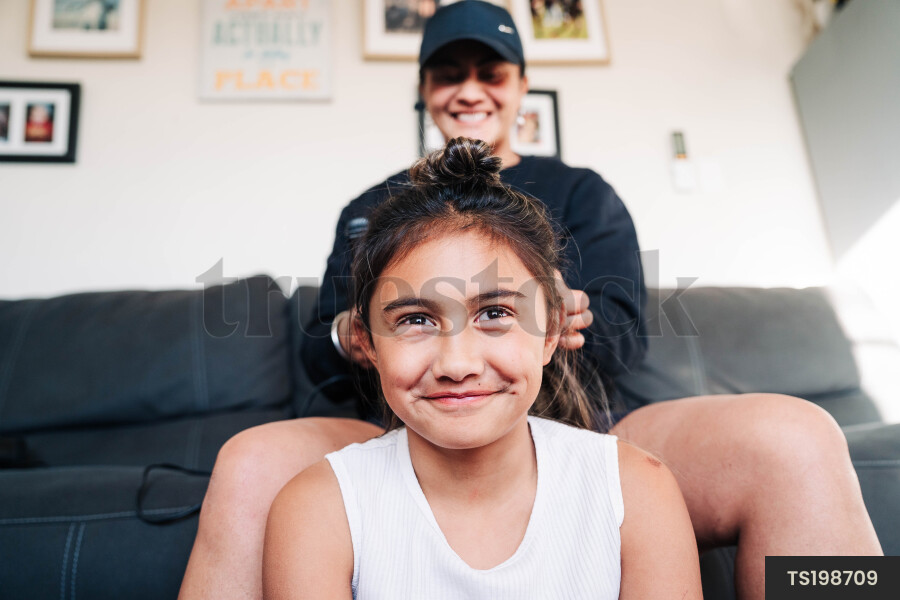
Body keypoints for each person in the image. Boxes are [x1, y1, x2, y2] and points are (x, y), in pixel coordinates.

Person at [179, 3, 882, 599]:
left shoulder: (583, 193)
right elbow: (318, 355)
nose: (470, 89)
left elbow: (622, 335)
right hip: (400, 428)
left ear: (521, 86)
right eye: (449, 73)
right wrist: (350, 329)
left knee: (797, 438)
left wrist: (569, 317)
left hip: (584, 420)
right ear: (424, 88)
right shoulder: (369, 210)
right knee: (250, 462)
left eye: (491, 72)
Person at [263, 137, 702, 598]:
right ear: (367, 343)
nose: (458, 364)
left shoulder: (638, 491)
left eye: (494, 313)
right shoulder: (316, 509)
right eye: (416, 319)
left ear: (552, 331)